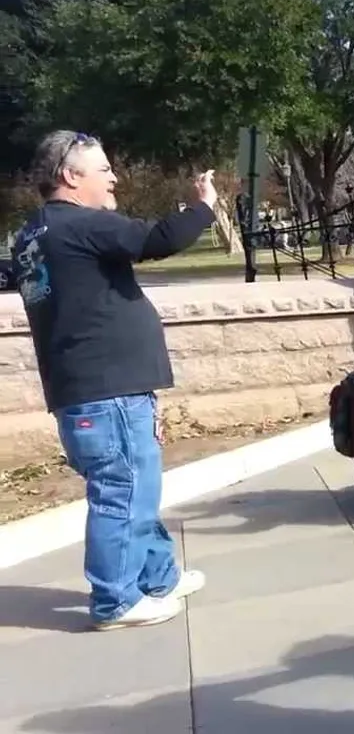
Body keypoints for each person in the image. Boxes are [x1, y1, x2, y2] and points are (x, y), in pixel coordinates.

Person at [10, 131, 215, 630]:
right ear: (70, 176)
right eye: (102, 169)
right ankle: (116, 600)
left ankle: (158, 578)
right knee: (122, 491)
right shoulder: (80, 225)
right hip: (106, 391)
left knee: (136, 489)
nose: (114, 177)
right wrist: (203, 206)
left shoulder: (33, 235)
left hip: (96, 390)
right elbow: (156, 239)